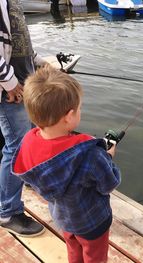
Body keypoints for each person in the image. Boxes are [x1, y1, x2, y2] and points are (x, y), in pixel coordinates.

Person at [12, 65, 121, 263]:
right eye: (80, 108)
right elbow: (109, 184)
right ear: (69, 116)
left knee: (73, 251)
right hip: (92, 221)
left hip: (63, 219)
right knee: (94, 257)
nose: (80, 111)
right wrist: (109, 157)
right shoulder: (91, 154)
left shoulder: (28, 142)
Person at [0, 0, 45, 236]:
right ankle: (8, 212)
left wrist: (39, 63)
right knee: (16, 148)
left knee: (31, 139)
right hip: (9, 91)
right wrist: (9, 83)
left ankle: (28, 178)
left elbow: (19, 41)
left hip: (23, 84)